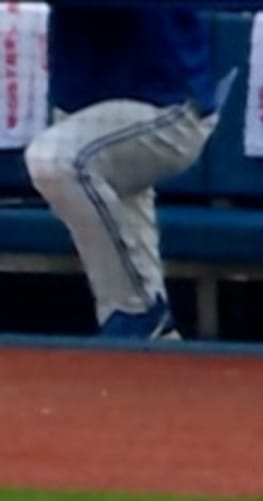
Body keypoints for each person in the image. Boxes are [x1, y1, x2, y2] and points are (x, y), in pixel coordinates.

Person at [24, 0, 231, 340]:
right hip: (88, 102)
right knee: (93, 180)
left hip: (165, 103)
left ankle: (138, 312)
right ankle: (153, 342)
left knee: (56, 160)